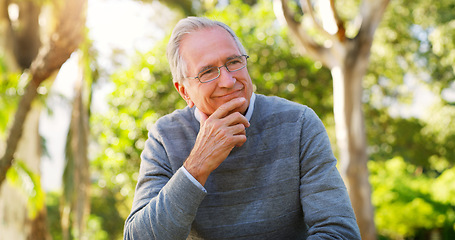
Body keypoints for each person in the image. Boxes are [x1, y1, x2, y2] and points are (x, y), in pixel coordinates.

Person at [123, 16, 361, 240]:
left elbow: (339, 231)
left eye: (234, 62)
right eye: (207, 72)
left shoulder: (299, 123)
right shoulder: (164, 137)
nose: (228, 81)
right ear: (184, 91)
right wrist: (196, 166)